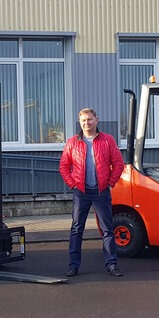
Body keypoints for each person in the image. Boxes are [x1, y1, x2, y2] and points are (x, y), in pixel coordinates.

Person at [58, 107, 125, 277]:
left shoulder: (108, 140)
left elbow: (118, 164)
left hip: (101, 192)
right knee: (76, 229)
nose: (86, 123)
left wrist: (110, 184)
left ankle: (111, 264)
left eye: (89, 119)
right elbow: (64, 166)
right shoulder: (72, 142)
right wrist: (73, 185)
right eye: (83, 120)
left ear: (96, 120)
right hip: (81, 192)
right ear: (80, 122)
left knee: (107, 229)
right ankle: (73, 266)